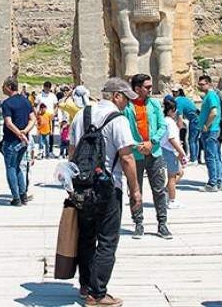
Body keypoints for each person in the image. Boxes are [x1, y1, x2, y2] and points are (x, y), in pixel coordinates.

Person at [69, 78, 141, 307]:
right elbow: (127, 158)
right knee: (108, 240)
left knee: (86, 236)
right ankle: (97, 293)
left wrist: (74, 182)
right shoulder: (117, 120)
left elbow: (72, 152)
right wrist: (135, 191)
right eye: (126, 99)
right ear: (116, 96)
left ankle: (84, 285)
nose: (128, 105)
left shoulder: (82, 115)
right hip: (108, 187)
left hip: (82, 186)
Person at [123, 74, 171, 240]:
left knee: (159, 189)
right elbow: (124, 128)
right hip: (136, 152)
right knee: (136, 189)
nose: (151, 89)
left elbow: (162, 125)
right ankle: (138, 222)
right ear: (137, 89)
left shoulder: (154, 104)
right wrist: (137, 145)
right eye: (147, 87)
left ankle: (162, 223)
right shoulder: (127, 107)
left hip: (154, 151)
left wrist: (153, 142)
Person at [0, 77, 35, 206]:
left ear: (9, 87)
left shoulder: (7, 103)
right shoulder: (26, 101)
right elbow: (33, 119)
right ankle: (23, 194)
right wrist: (24, 131)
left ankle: (16, 198)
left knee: (11, 168)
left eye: (3, 86)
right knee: (19, 167)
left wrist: (19, 134)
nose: (2, 88)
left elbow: (8, 123)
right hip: (23, 140)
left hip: (11, 140)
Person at [197, 75, 222, 192]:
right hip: (211, 129)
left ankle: (212, 183)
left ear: (209, 84)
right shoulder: (208, 96)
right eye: (199, 84)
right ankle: (218, 181)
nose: (200, 86)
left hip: (210, 130)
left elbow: (214, 112)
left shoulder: (211, 96)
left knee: (210, 157)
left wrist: (206, 125)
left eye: (203, 84)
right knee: (214, 156)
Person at [161, 97, 188, 209]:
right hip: (169, 150)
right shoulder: (170, 122)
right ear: (172, 110)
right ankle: (171, 200)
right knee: (172, 176)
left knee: (179, 172)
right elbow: (171, 139)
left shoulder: (164, 121)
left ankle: (166, 190)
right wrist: (182, 152)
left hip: (166, 149)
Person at [174, 88, 200, 162]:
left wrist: (179, 128)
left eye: (175, 91)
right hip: (198, 118)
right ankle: (195, 158)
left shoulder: (178, 101)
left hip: (194, 120)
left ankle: (193, 158)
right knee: (195, 139)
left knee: (191, 140)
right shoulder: (185, 99)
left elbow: (180, 116)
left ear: (178, 92)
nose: (173, 93)